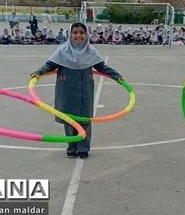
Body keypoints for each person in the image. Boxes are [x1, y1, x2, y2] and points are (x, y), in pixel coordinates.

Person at [31, 22, 124, 159]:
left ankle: (83, 148)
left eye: (81, 32)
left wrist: (117, 76)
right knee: (69, 120)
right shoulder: (62, 51)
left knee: (85, 120)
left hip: (85, 91)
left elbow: (102, 67)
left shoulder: (91, 52)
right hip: (67, 91)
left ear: (86, 35)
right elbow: (49, 65)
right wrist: (38, 72)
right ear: (70, 34)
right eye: (75, 32)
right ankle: (71, 146)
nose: (78, 35)